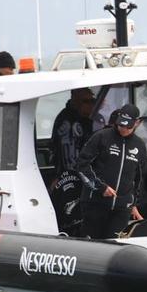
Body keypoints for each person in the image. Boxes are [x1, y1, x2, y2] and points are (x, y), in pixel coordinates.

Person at [76, 104, 147, 239]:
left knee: (115, 244)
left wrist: (133, 204)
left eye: (128, 126)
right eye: (121, 125)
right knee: (93, 245)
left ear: (137, 123)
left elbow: (140, 178)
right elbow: (81, 165)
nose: (124, 129)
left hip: (122, 208)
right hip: (95, 203)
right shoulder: (101, 137)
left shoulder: (139, 145)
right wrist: (100, 187)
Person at [50, 88, 96, 235]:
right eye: (87, 101)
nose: (91, 105)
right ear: (76, 101)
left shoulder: (87, 120)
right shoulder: (67, 122)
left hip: (82, 174)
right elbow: (63, 153)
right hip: (70, 177)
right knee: (73, 215)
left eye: (93, 101)